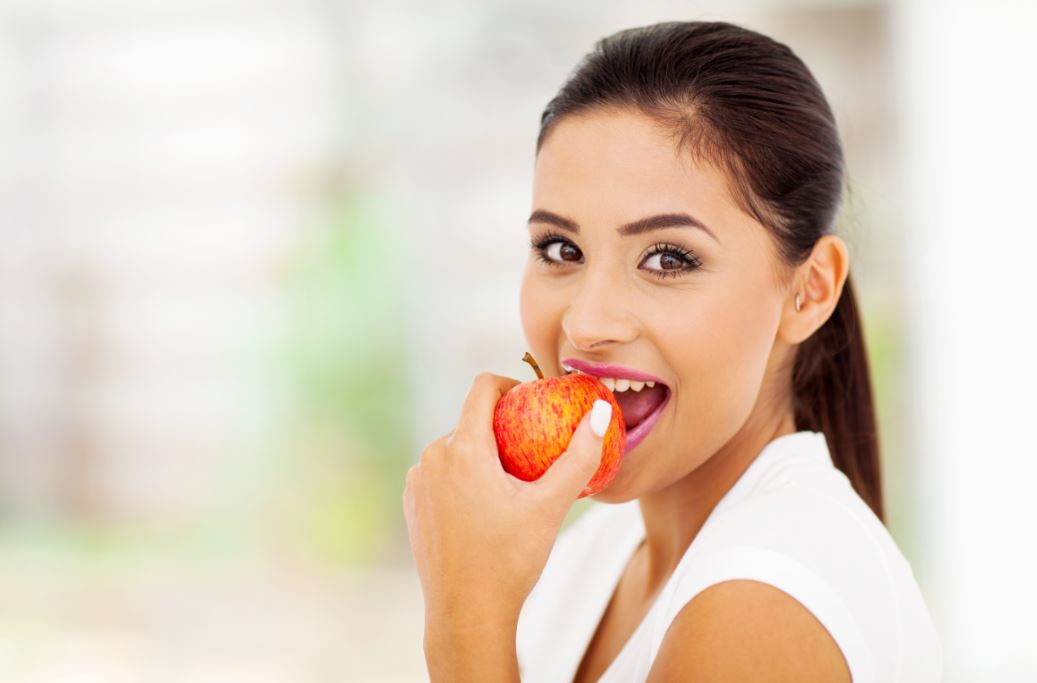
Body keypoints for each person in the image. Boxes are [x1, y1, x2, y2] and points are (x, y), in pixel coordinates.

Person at [402, 20, 942, 682]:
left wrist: (466, 623)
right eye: (560, 248)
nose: (587, 321)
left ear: (808, 291)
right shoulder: (596, 551)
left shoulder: (765, 602)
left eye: (667, 258)